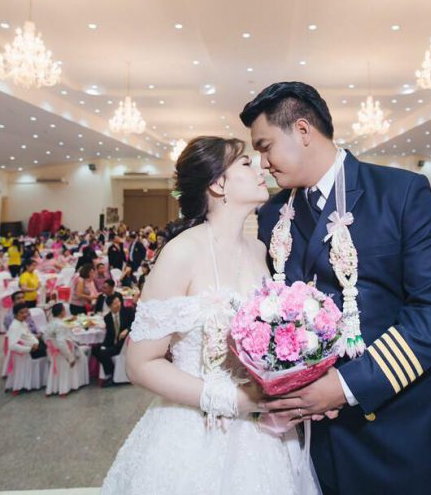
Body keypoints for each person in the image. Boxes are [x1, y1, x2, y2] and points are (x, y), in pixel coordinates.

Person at [247, 82, 431, 494]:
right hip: (315, 443)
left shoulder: (399, 192)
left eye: (265, 146)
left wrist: (345, 387)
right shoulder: (273, 213)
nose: (263, 163)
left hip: (399, 434)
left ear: (303, 130)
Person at [101, 136, 307, 494]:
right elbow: (140, 363)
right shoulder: (181, 252)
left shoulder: (260, 250)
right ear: (217, 184)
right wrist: (230, 400)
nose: (259, 168)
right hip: (196, 429)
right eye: (246, 163)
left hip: (266, 432)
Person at [92, 293, 134, 381]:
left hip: (122, 343)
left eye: (118, 302)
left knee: (103, 354)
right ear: (110, 306)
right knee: (95, 349)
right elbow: (109, 334)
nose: (118, 304)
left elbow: (135, 323)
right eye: (115, 303)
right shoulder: (107, 318)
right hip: (112, 342)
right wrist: (104, 345)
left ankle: (110, 374)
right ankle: (111, 371)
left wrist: (127, 330)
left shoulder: (127, 311)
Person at [43, 303, 78, 367]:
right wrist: (70, 358)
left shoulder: (51, 323)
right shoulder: (60, 325)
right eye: (64, 310)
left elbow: (45, 338)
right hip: (62, 356)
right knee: (81, 356)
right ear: (62, 312)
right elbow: (61, 343)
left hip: (53, 355)